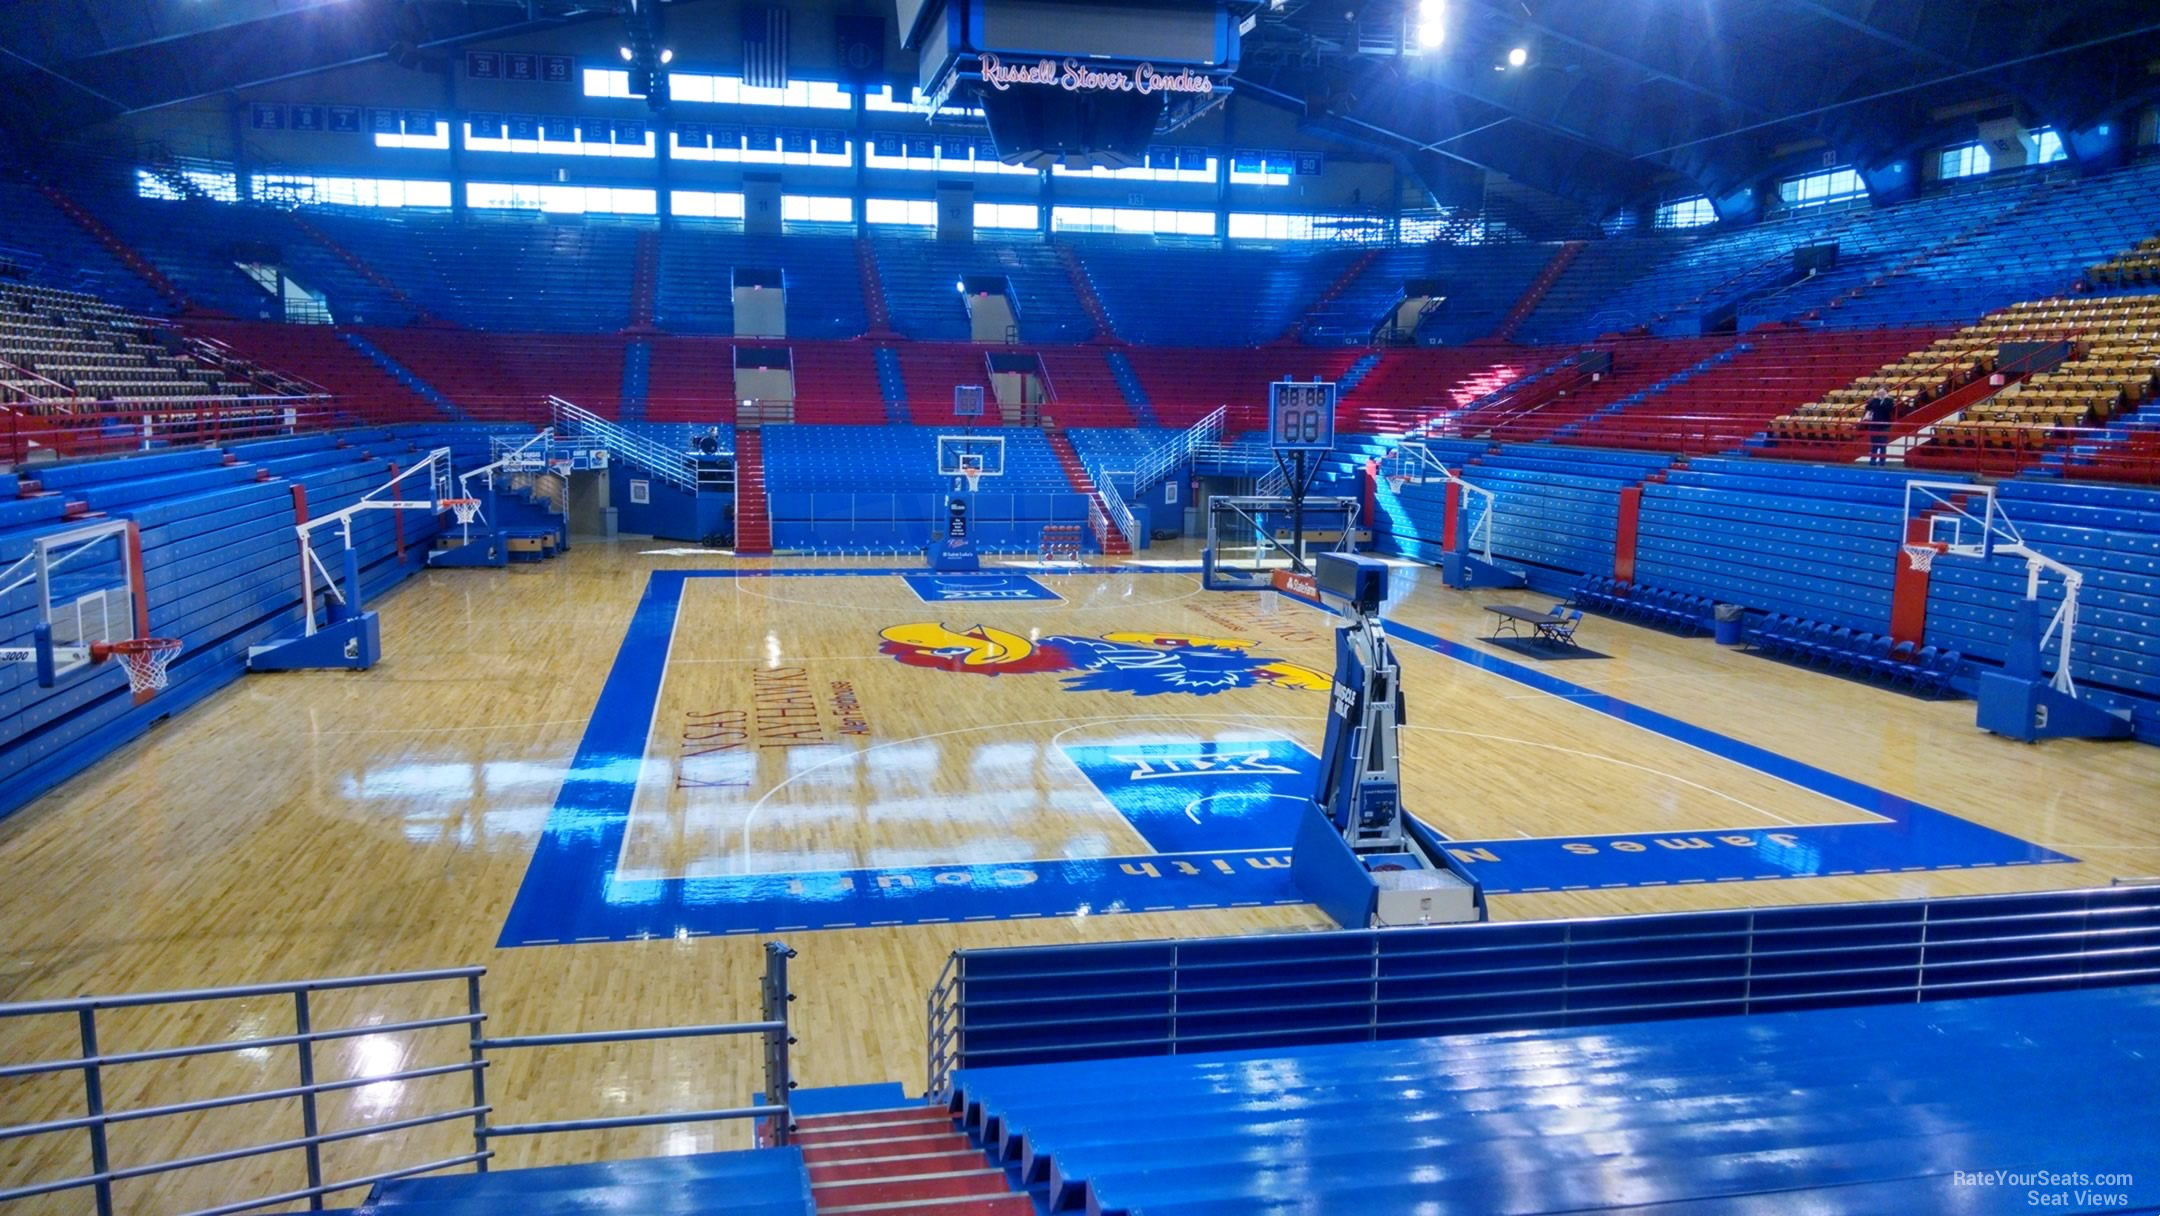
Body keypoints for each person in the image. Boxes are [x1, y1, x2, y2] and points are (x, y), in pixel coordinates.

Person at [1864, 390, 1896, 466]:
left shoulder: (1889, 400)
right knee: (1874, 445)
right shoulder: (1875, 400)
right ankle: (1873, 460)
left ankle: (1882, 461)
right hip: (1874, 425)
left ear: (1886, 393)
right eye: (1879, 393)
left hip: (1884, 425)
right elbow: (1867, 407)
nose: (1881, 394)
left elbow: (1887, 409)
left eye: (1883, 393)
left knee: (1883, 445)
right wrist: (1875, 399)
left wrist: (1882, 400)